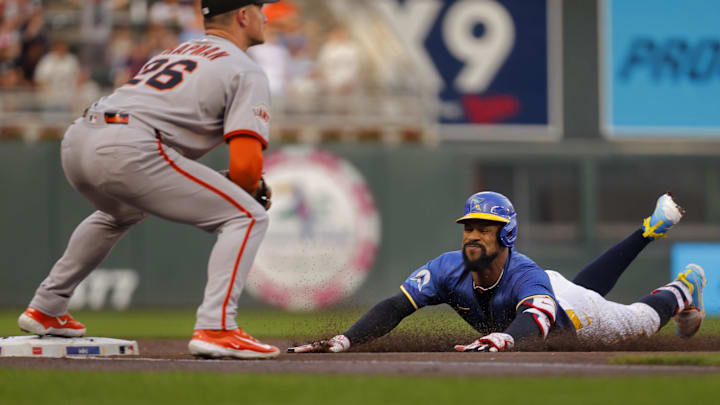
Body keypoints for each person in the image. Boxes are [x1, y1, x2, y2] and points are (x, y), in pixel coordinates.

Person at [17, 0, 282, 360]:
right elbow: (248, 167)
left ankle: (46, 307)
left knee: (120, 213)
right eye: (260, 8)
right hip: (131, 145)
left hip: (81, 136)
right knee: (247, 215)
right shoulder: (245, 69)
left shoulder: (175, 51)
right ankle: (217, 327)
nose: (265, 16)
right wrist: (248, 190)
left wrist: (229, 186)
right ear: (242, 15)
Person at [289, 192, 706, 353]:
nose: (473, 235)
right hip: (553, 289)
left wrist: (505, 337)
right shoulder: (446, 269)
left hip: (572, 313)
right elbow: (397, 306)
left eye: (484, 229)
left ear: (506, 235)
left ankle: (682, 289)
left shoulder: (524, 273)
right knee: (583, 287)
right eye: (469, 227)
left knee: (640, 323)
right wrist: (344, 340)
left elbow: (538, 320)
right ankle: (648, 231)